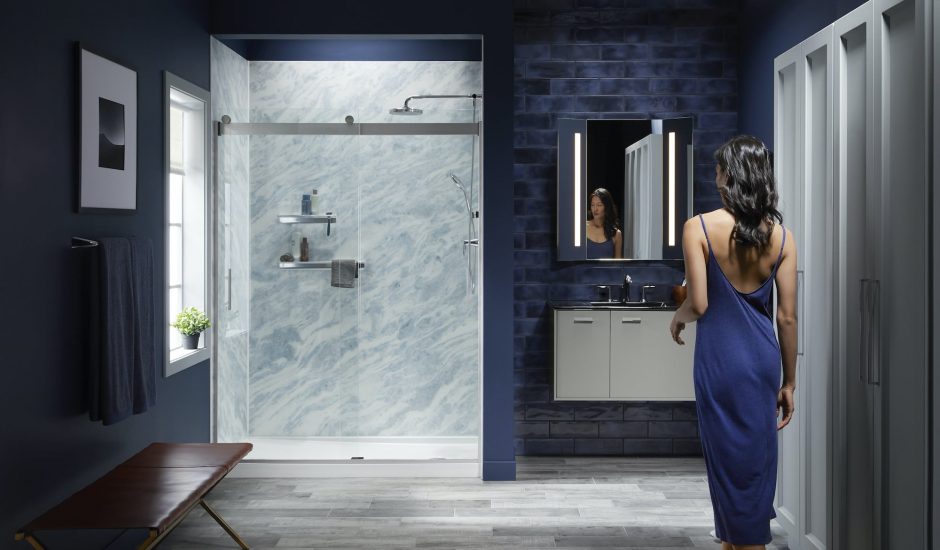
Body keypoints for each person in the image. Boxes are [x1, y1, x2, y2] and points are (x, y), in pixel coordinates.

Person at [669, 135, 797, 550]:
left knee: (725, 462)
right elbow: (787, 317)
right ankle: (740, 538)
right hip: (762, 362)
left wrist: (677, 316)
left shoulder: (699, 227)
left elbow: (699, 303)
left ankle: (742, 540)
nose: (715, 175)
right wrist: (790, 382)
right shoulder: (782, 237)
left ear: (731, 176)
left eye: (719, 168)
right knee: (755, 462)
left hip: (720, 363)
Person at [585, 188, 623, 259]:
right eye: (592, 205)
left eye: (599, 205)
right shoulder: (582, 228)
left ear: (607, 207)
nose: (595, 209)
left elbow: (617, 266)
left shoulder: (616, 234)